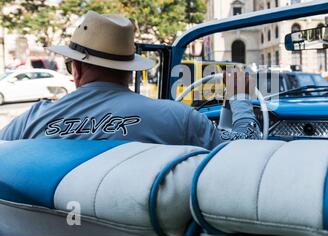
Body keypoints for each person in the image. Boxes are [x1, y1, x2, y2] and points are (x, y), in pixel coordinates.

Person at [0, 11, 260, 150]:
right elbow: (245, 152)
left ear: (76, 68)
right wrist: (240, 100)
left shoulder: (29, 121)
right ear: (131, 70)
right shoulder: (178, 119)